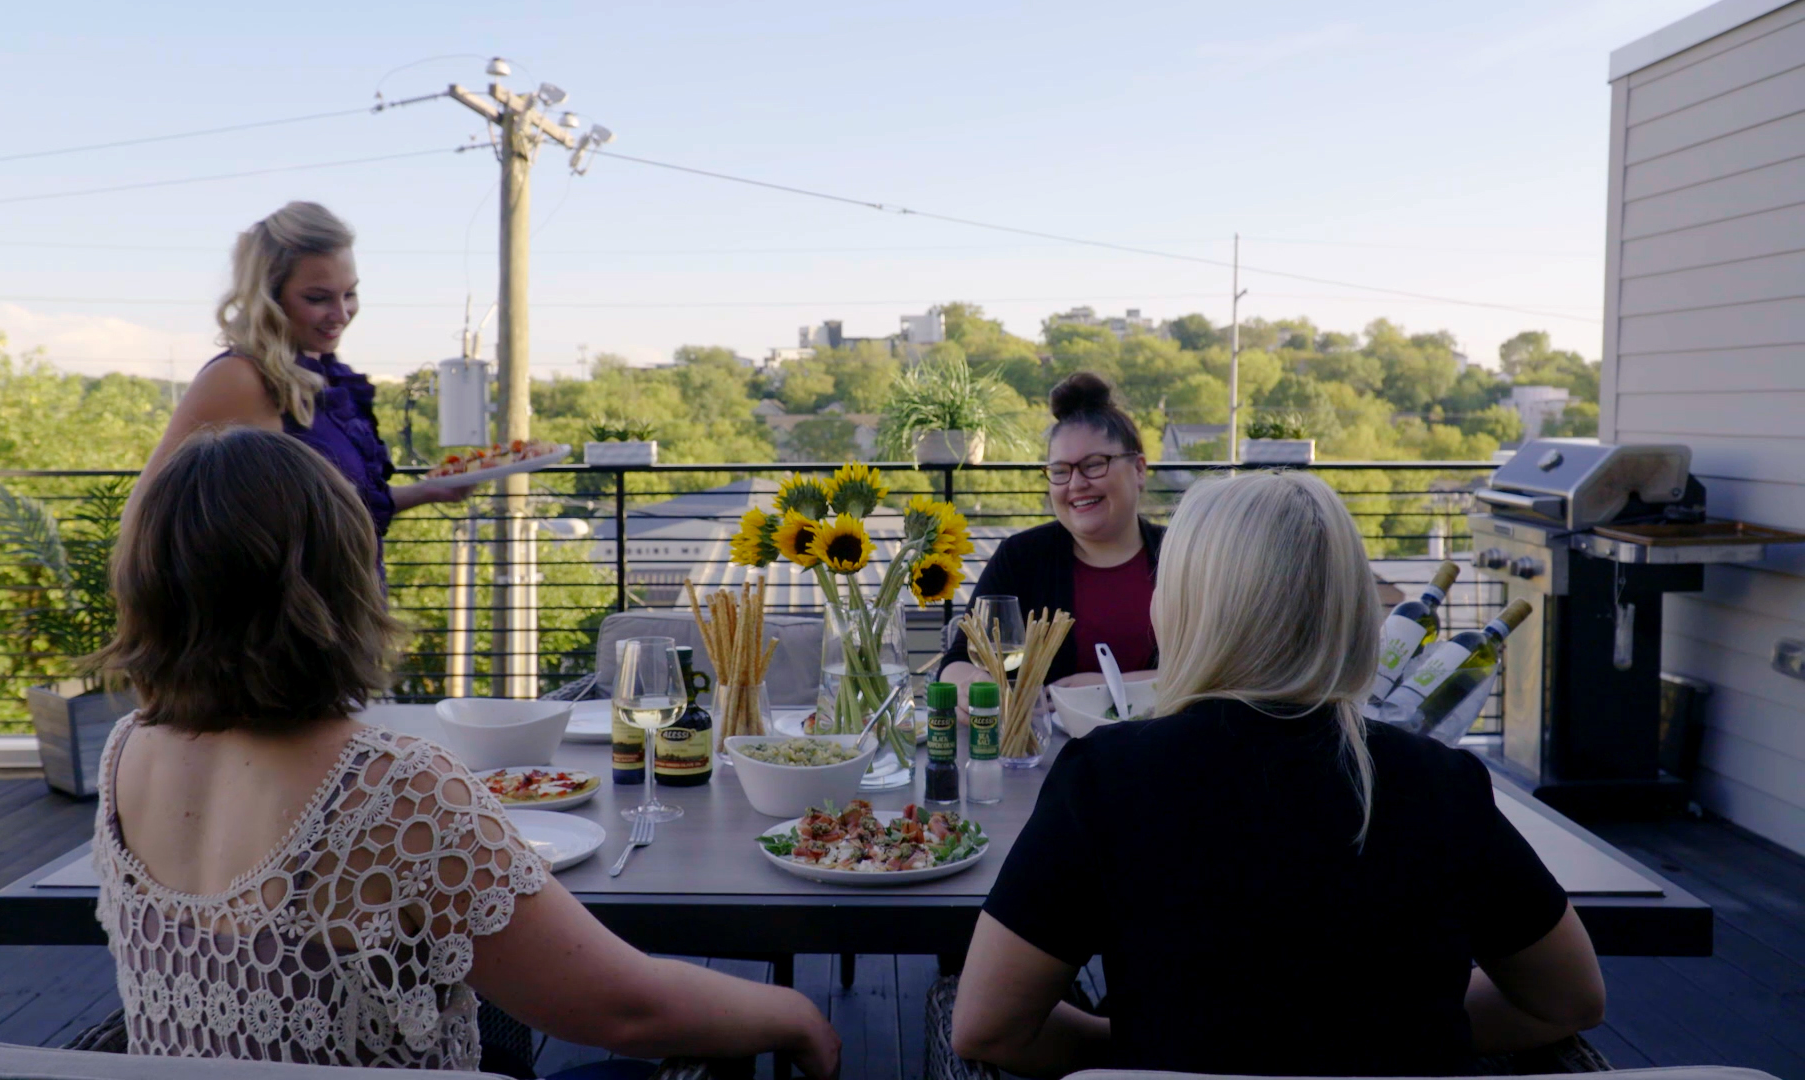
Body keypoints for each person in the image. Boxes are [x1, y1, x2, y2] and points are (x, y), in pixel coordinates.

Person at [89, 428, 839, 1078]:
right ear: (336, 579)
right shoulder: (390, 791)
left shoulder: (127, 754)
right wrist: (798, 1013)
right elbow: (627, 1011)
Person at [951, 471, 1605, 1078]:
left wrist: (1123, 1047)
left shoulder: (1107, 778)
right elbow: (1565, 1002)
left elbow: (989, 1030)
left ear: (1187, 608)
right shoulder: (1441, 784)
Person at [131, 201, 465, 539]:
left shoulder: (322, 374)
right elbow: (144, 516)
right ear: (269, 297)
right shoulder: (240, 379)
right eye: (318, 298)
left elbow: (343, 507)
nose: (342, 313)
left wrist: (430, 491)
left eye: (350, 293)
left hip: (345, 592)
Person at [939, 372, 1162, 699]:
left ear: (1139, 469)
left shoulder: (1184, 555)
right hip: (1052, 749)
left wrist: (1106, 690)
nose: (1075, 484)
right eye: (1060, 471)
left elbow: (1225, 671)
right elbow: (959, 658)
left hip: (1164, 743)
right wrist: (968, 686)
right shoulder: (1022, 556)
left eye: (1094, 465)